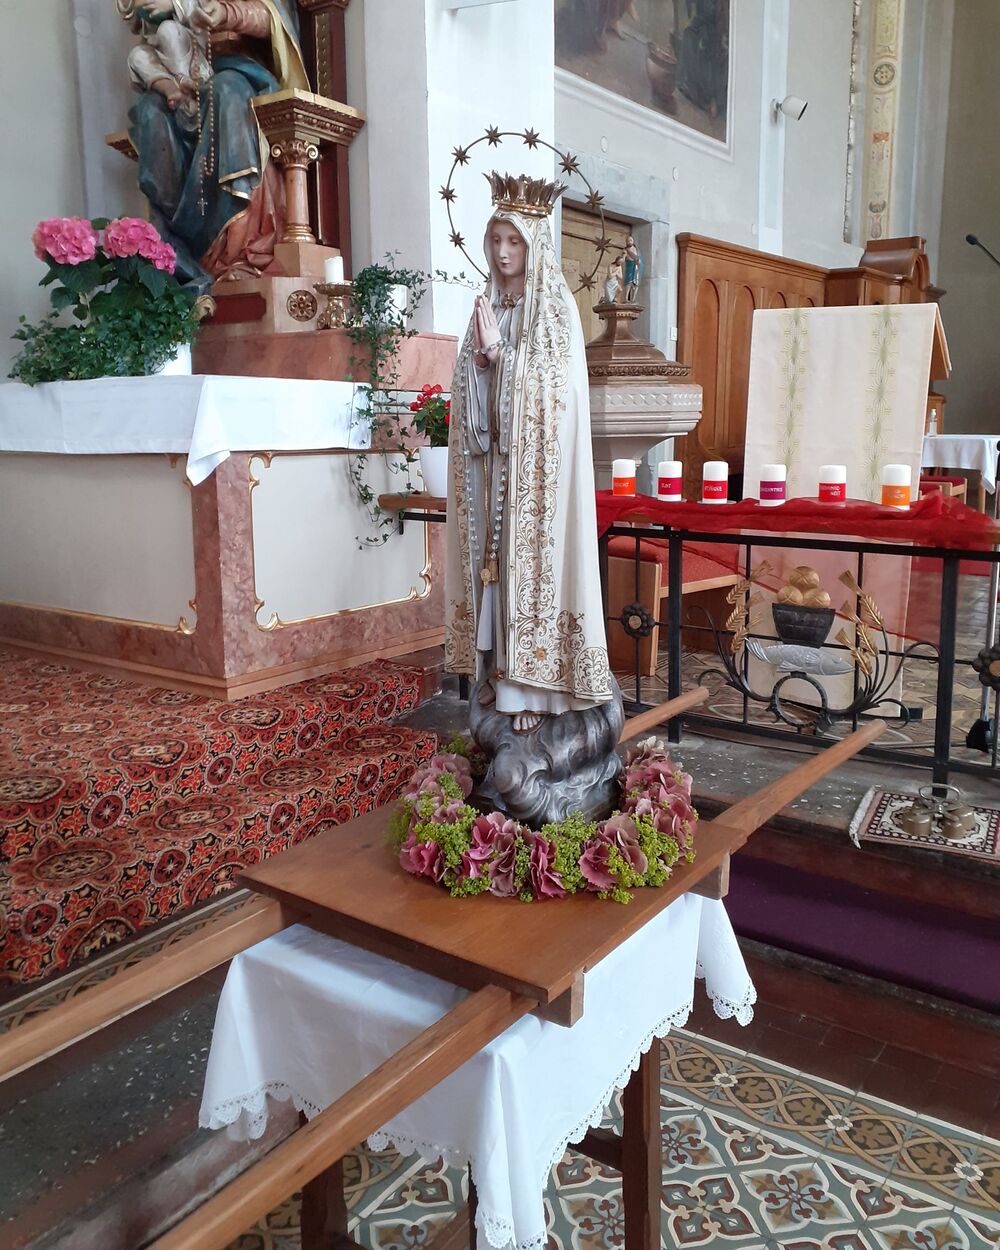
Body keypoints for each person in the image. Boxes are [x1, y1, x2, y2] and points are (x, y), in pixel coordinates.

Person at [445, 174, 612, 734]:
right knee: (493, 569)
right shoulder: (490, 304)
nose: (502, 252)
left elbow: (557, 395)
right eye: (495, 240)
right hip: (496, 466)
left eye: (513, 241)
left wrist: (502, 357)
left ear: (533, 245)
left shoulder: (555, 309)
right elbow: (469, 390)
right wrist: (479, 366)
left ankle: (536, 691)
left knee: (533, 572)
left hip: (537, 478)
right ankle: (499, 673)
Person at [123, 0, 309, 292]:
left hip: (243, 70)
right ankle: (178, 247)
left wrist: (225, 12)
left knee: (225, 90)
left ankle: (238, 249)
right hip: (184, 74)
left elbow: (272, 18)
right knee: (150, 110)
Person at [125, 0, 210, 127]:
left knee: (167, 30)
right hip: (157, 47)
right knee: (136, 56)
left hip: (188, 46)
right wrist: (131, 5)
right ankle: (171, 89)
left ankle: (189, 89)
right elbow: (134, 26)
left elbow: (206, 6)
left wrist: (173, 4)